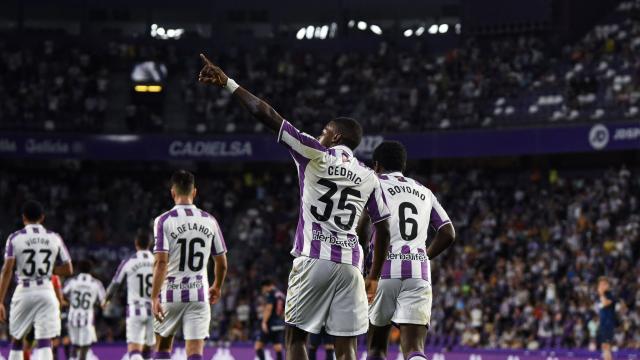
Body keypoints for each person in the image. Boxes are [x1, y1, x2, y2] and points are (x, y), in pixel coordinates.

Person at [198, 54, 391, 360]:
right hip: (352, 264)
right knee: (346, 347)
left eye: (325, 131)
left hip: (313, 257)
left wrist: (229, 84)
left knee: (296, 339)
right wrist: (374, 275)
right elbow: (381, 227)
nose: (320, 134)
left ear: (336, 136)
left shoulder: (315, 154)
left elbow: (268, 114)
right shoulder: (369, 176)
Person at [366, 141, 455, 360]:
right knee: (414, 348)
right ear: (403, 165)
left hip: (383, 271)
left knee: (377, 347)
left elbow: (359, 225)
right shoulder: (424, 191)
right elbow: (448, 232)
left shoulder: (373, 183)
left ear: (376, 165)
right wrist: (424, 255)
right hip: (418, 272)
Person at [151, 170, 228, 360]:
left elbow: (161, 263)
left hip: (171, 294)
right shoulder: (209, 220)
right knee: (195, 353)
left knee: (162, 348)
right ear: (194, 192)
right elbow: (222, 263)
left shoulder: (163, 221)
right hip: (199, 294)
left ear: (172, 192)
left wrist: (154, 297)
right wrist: (217, 286)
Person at [0, 200, 73, 360]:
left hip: (24, 290)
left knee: (17, 339)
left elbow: (7, 271)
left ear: (23, 217)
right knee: (44, 340)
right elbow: (68, 269)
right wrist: (49, 270)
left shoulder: (15, 238)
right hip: (47, 290)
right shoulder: (54, 237)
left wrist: (0, 301)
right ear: (42, 217)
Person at [104, 230, 155, 360]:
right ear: (150, 244)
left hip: (135, 309)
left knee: (135, 349)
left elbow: (115, 283)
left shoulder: (129, 261)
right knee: (149, 348)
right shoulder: (157, 261)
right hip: (154, 309)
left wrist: (106, 299)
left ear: (136, 243)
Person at [62, 260, 106, 360]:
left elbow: (62, 295)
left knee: (74, 343)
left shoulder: (73, 281)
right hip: (87, 318)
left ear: (78, 269)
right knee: (85, 345)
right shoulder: (96, 283)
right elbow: (103, 302)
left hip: (73, 317)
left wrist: (68, 303)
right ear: (91, 270)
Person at [255, 279, 285, 360]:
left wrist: (264, 322)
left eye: (263, 288)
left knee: (258, 346)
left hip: (270, 323)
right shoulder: (281, 295)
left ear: (266, 286)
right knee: (278, 347)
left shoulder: (271, 294)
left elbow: (269, 308)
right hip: (279, 324)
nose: (263, 290)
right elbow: (284, 310)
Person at [596, 277, 616, 360]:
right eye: (600, 284)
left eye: (603, 284)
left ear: (608, 285)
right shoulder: (599, 297)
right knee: (604, 347)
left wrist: (601, 294)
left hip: (608, 324)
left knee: (607, 346)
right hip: (603, 323)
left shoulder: (610, 295)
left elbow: (605, 303)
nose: (601, 286)